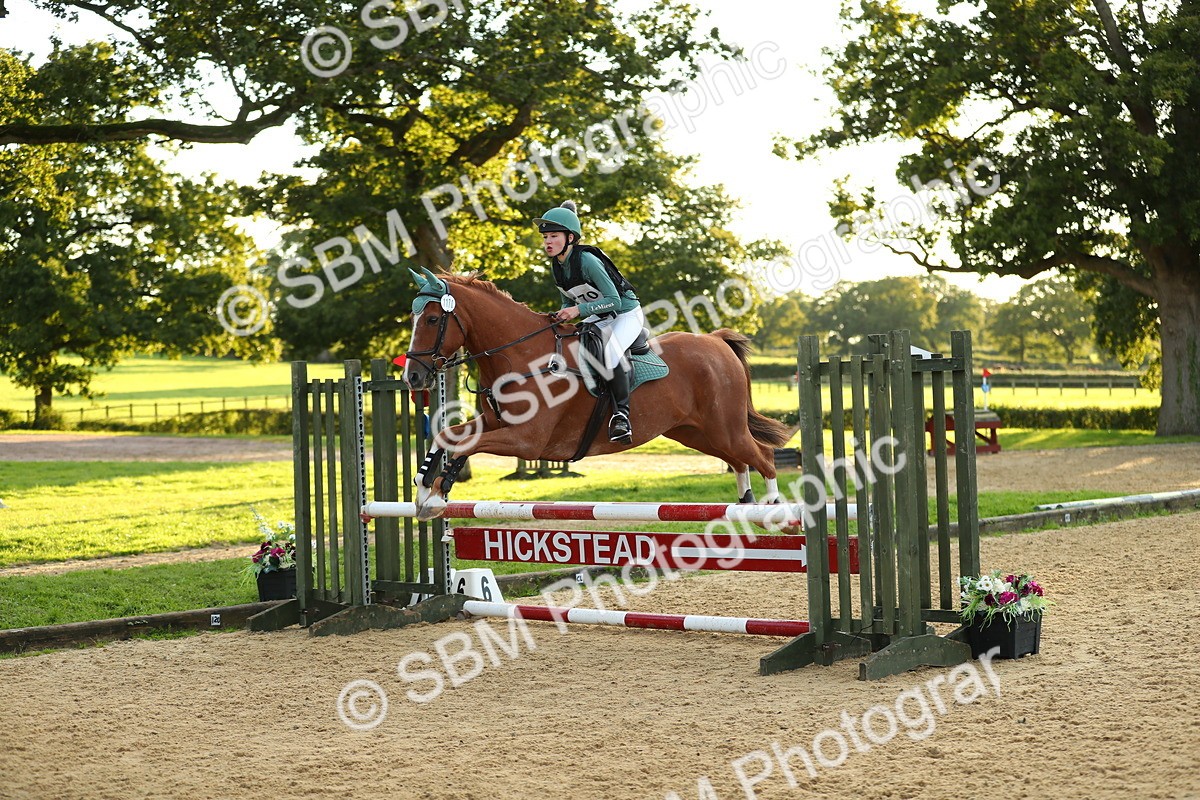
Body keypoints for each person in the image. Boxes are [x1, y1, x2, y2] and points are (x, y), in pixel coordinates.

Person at [533, 200, 644, 443]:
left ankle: (621, 417)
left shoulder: (587, 261)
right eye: (545, 238)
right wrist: (562, 314)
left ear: (570, 238)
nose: (547, 242)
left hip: (625, 314)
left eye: (553, 236)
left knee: (611, 353)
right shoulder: (558, 267)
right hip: (600, 316)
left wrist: (577, 311)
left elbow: (614, 301)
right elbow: (568, 301)